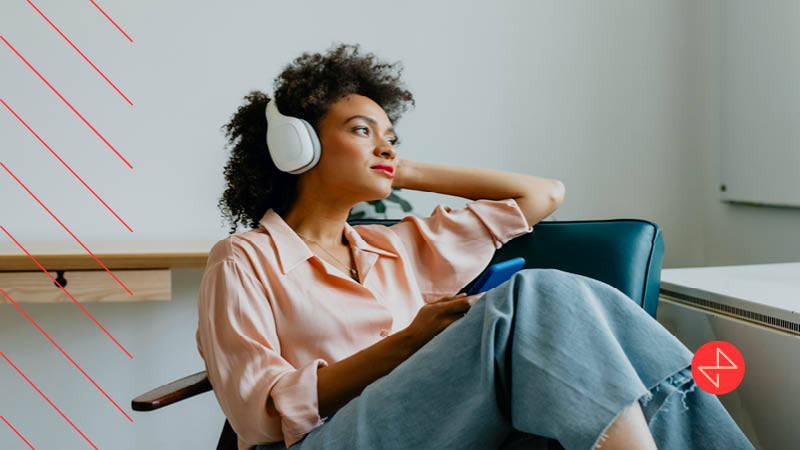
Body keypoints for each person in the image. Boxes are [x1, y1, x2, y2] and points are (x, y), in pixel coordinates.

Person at [195, 42, 754, 450]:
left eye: (393, 136)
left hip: (437, 426)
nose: (386, 144)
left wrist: (401, 167)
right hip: (327, 441)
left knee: (584, 309)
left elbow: (540, 194)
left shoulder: (396, 247)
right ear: (300, 147)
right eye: (364, 130)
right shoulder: (243, 260)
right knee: (534, 294)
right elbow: (259, 416)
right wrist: (406, 344)